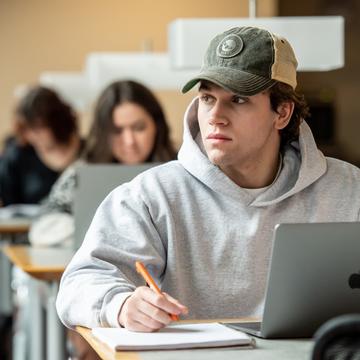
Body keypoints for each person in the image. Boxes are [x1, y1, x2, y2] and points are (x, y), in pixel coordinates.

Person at [56, 26, 360, 333]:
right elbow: (78, 283)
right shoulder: (152, 195)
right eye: (206, 97)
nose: (215, 116)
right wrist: (120, 305)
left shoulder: (348, 189)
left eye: (238, 100)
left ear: (282, 112)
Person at [0, 85, 81, 206]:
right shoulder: (18, 154)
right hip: (28, 225)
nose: (33, 136)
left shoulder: (88, 151)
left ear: (58, 122)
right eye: (27, 129)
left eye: (39, 127)